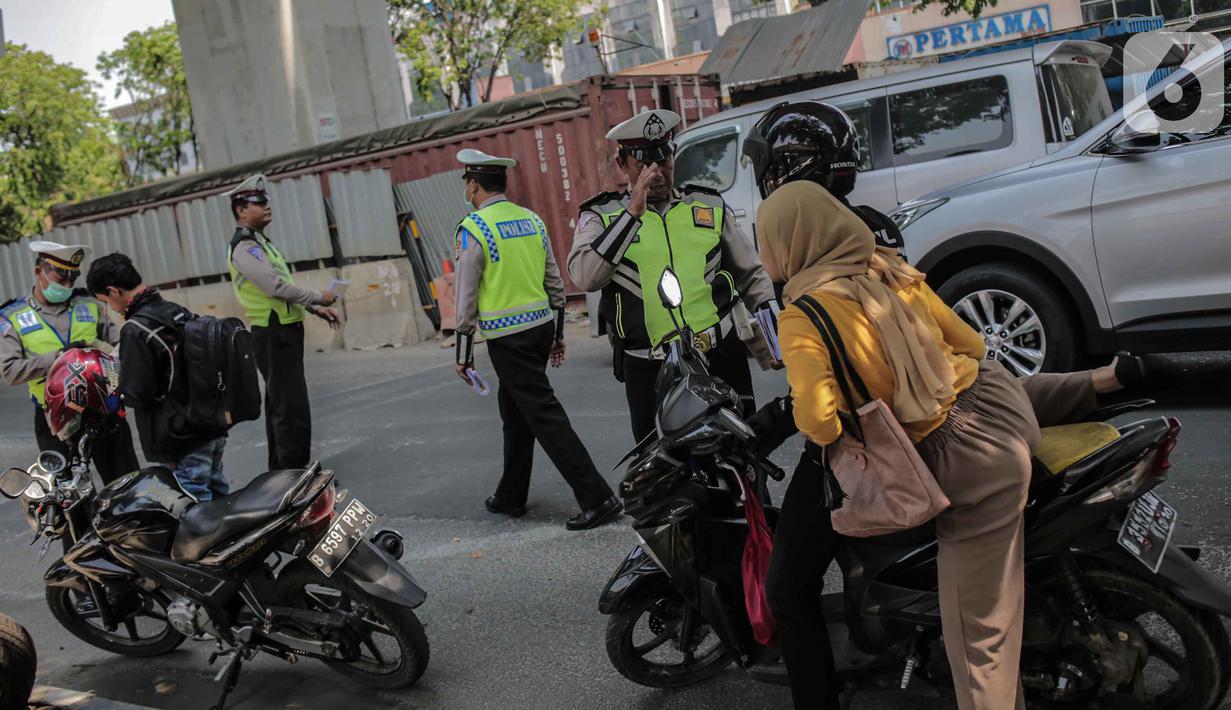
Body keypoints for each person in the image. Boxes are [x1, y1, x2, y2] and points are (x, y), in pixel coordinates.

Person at [756, 181, 1143, 710]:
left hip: (969, 461)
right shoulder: (888, 268)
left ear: (788, 243)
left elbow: (820, 423)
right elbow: (972, 346)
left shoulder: (804, 315)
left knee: (981, 637)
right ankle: (1098, 382)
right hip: (1006, 409)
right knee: (968, 386)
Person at [569, 109, 779, 443]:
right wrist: (632, 213)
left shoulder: (707, 205)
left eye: (664, 162)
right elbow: (585, 276)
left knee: (743, 456)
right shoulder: (601, 216)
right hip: (650, 368)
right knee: (661, 469)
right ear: (622, 165)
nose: (656, 174)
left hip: (719, 358)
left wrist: (775, 339)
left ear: (674, 156)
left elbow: (752, 275)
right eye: (643, 166)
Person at [453, 149, 621, 530]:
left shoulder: (474, 228)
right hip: (540, 327)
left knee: (543, 415)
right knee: (515, 413)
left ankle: (597, 496)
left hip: (508, 338)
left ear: (474, 184)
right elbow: (554, 282)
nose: (466, 187)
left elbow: (465, 297)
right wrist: (558, 335)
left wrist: (463, 352)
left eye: (466, 181)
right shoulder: (531, 220)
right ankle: (511, 494)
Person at [87, 253, 229, 501]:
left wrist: (113, 382)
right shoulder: (176, 311)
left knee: (194, 511)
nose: (113, 309)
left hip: (182, 438)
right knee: (221, 502)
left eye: (106, 301)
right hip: (210, 426)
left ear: (113, 291)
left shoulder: (136, 329)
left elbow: (138, 392)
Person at [226, 174, 340, 470]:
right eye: (259, 202)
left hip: (282, 329)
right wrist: (319, 296)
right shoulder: (245, 247)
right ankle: (295, 476)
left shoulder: (261, 243)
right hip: (273, 332)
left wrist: (315, 309)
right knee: (290, 407)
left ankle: (283, 471)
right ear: (241, 210)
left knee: (282, 403)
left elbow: (283, 285)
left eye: (267, 201)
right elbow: (274, 288)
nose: (267, 207)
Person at [0, 241, 138, 483]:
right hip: (52, 419)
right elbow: (11, 372)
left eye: (71, 281)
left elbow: (119, 348)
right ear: (38, 272)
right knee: (68, 497)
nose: (66, 286)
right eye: (59, 280)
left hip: (104, 412)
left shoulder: (89, 304)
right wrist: (59, 357)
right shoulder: (12, 316)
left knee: (125, 484)